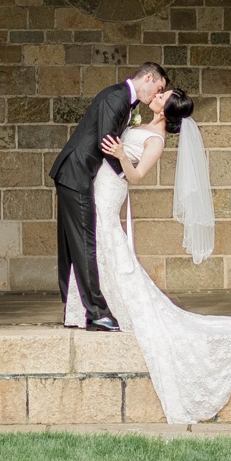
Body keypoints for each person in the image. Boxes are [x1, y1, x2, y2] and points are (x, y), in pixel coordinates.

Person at [89, 87, 231, 424]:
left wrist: (119, 153)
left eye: (163, 95)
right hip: (101, 183)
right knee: (101, 240)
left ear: (165, 111)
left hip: (113, 186)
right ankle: (102, 297)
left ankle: (112, 300)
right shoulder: (142, 123)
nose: (157, 93)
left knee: (107, 238)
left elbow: (137, 175)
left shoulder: (156, 141)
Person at [49, 61, 168, 332]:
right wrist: (122, 175)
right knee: (83, 244)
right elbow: (107, 144)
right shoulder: (118, 98)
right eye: (158, 88)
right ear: (148, 77)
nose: (156, 94)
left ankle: (74, 309)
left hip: (75, 174)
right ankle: (98, 312)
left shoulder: (125, 101)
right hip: (77, 174)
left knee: (71, 245)